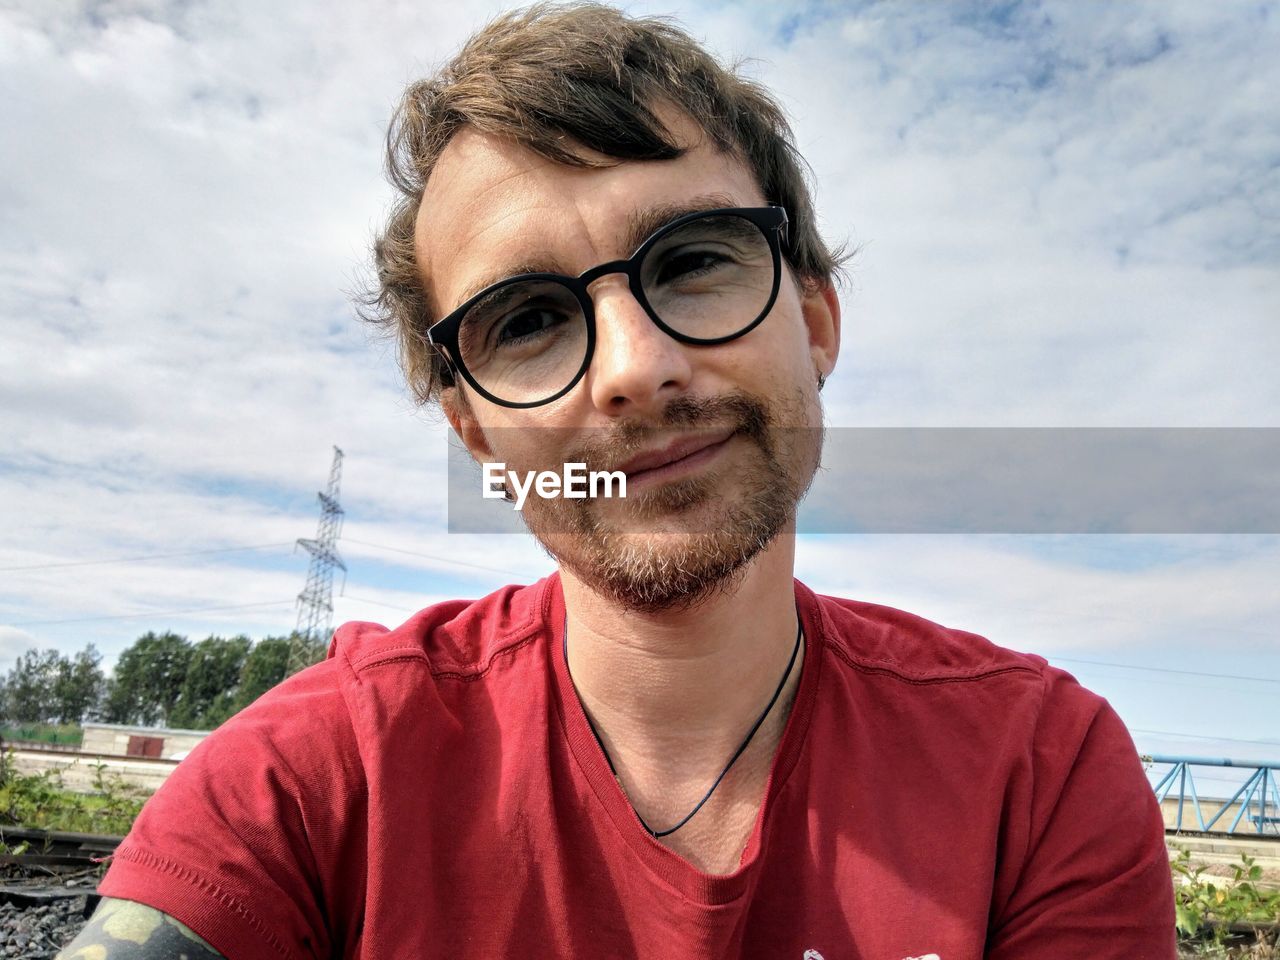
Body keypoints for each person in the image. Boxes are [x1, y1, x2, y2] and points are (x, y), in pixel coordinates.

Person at [60, 4, 1176, 958]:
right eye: (529, 320)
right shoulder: (313, 781)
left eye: (692, 260)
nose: (634, 372)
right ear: (474, 434)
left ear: (817, 320)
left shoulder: (1036, 775)